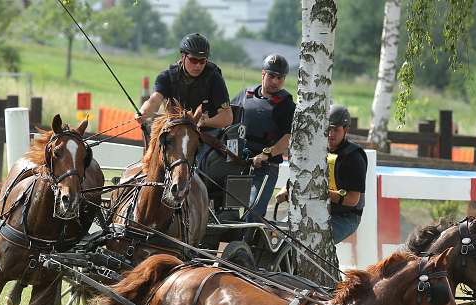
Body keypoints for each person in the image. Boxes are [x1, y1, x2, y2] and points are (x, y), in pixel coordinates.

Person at [276, 104, 367, 243]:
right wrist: (286, 189)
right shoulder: (315, 150)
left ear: (346, 129)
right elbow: (300, 176)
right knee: (279, 237)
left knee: (308, 242)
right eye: (328, 129)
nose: (331, 134)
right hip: (312, 211)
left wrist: (319, 191)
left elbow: (353, 200)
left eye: (336, 130)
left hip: (344, 217)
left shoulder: (354, 158)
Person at [134, 33, 232, 163]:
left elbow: (227, 116)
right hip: (174, 130)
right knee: (154, 161)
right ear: (182, 57)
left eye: (202, 61)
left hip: (205, 133)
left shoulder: (215, 79)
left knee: (193, 164)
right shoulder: (166, 77)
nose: (198, 65)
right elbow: (154, 101)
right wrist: (143, 113)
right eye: (193, 60)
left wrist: (207, 122)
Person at [231, 54, 295, 232]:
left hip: (265, 168)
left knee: (253, 211)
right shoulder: (245, 94)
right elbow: (227, 119)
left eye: (279, 78)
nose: (275, 81)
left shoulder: (287, 106)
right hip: (237, 163)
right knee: (225, 209)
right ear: (263, 74)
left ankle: (248, 250)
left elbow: (287, 139)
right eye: (271, 76)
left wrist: (266, 154)